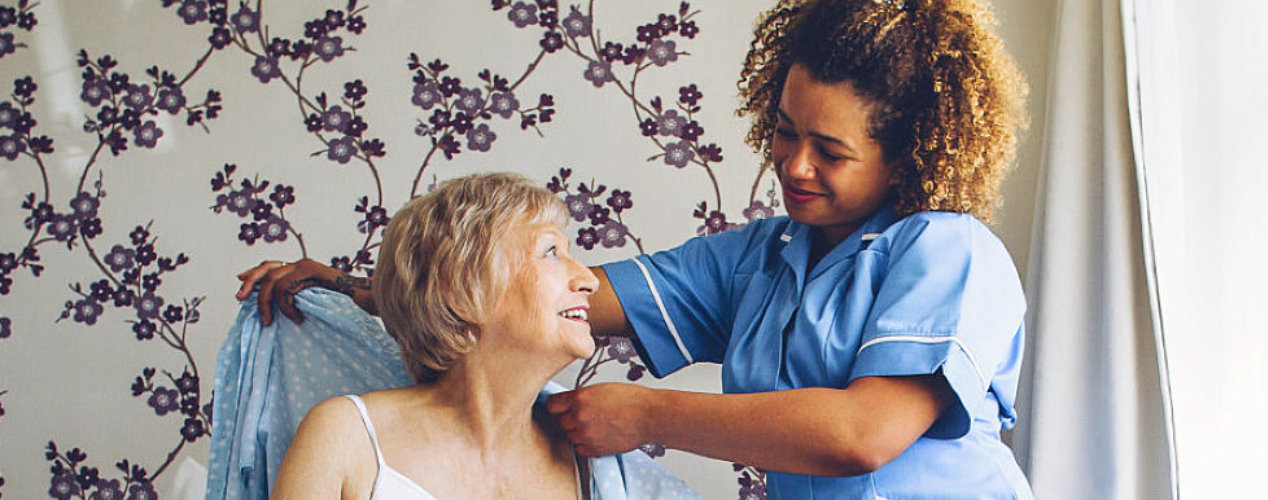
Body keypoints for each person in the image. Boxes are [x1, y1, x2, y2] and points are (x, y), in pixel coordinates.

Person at [238, 0, 1032, 497]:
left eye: (829, 150)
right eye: (785, 132)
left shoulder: (948, 252)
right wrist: (356, 286)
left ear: (907, 153)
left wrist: (645, 414)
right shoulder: (760, 260)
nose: (793, 165)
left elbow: (862, 435)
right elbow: (523, 292)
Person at [240, 173, 700, 499]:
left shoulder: (590, 462)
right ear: (461, 292)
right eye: (551, 252)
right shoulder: (345, 435)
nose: (587, 279)